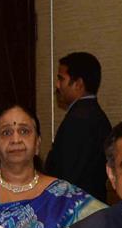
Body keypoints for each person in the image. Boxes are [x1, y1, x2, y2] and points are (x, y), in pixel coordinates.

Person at [46, 51, 112, 200]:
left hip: (78, 210)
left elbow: (67, 177)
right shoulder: (93, 114)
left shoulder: (80, 120)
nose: (57, 85)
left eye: (61, 79)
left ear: (78, 84)